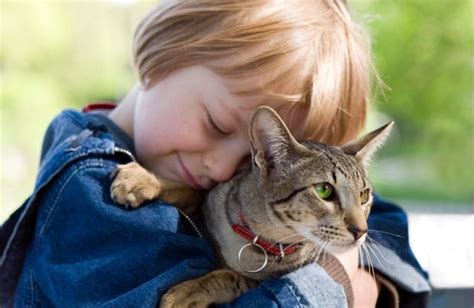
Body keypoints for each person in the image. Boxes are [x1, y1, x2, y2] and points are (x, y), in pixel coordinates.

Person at [0, 0, 430, 307]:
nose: (225, 167)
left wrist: (373, 274)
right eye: (218, 126)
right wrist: (345, 283)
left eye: (253, 163)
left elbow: (386, 228)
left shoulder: (197, 169)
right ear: (166, 50)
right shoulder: (92, 194)